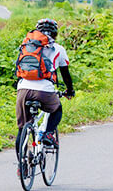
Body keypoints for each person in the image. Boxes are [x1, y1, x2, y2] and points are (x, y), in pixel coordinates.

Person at [15, 17, 74, 148]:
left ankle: (21, 166)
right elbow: (65, 74)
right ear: (55, 34)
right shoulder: (59, 49)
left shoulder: (27, 46)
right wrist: (70, 90)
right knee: (57, 110)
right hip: (45, 90)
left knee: (22, 129)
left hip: (23, 89)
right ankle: (48, 134)